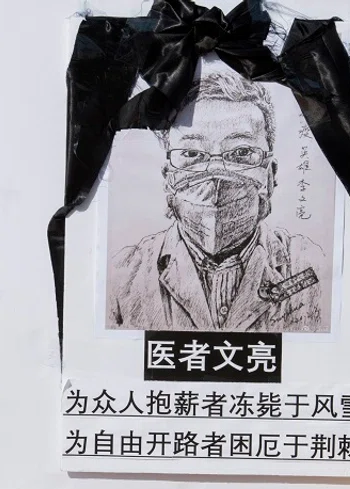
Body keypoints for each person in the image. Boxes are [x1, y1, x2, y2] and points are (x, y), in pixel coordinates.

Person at [107, 70, 328, 333]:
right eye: (192, 153)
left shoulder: (310, 265)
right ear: (168, 177)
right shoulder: (124, 276)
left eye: (241, 152)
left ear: (270, 175)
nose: (215, 177)